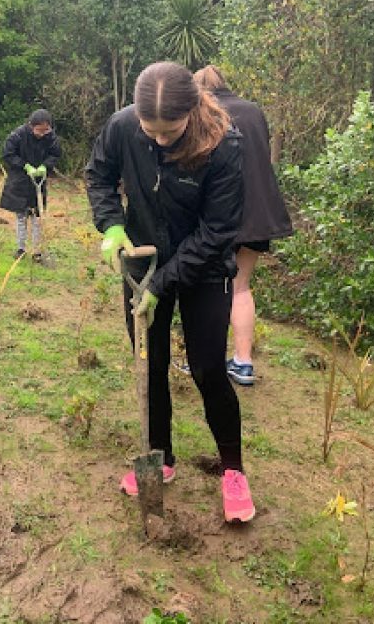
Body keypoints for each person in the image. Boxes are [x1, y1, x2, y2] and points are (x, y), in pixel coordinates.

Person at [86, 60, 254, 524]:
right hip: (142, 259)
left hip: (203, 267)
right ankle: (160, 456)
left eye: (171, 131)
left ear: (192, 110)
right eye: (151, 131)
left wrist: (164, 280)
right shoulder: (121, 127)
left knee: (206, 368)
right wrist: (112, 225)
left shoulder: (222, 144)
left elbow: (219, 229)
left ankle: (233, 470)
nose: (160, 140)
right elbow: (98, 175)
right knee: (150, 362)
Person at [194, 66, 293, 386]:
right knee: (240, 286)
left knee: (206, 289)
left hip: (218, 216)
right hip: (258, 214)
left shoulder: (203, 111)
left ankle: (204, 361)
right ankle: (243, 362)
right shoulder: (253, 111)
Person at [0, 109, 61, 260]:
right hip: (19, 180)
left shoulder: (50, 137)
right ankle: (21, 248)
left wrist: (45, 166)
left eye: (46, 130)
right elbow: (8, 153)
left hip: (38, 181)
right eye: (39, 130)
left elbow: (55, 154)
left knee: (36, 216)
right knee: (21, 215)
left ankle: (37, 250)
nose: (42, 133)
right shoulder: (18, 135)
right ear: (31, 126)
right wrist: (25, 166)